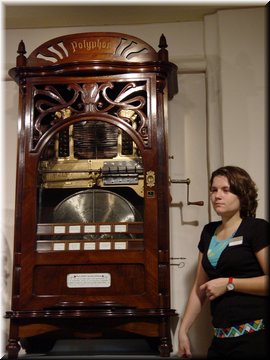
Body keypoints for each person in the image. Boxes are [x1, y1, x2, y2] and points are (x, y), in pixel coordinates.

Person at [177, 165, 269, 358]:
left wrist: (229, 284)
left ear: (242, 195)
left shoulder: (257, 228)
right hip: (220, 339)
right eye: (214, 190)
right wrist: (183, 331)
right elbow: (199, 288)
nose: (217, 196)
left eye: (226, 190)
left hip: (255, 337)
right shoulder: (208, 232)